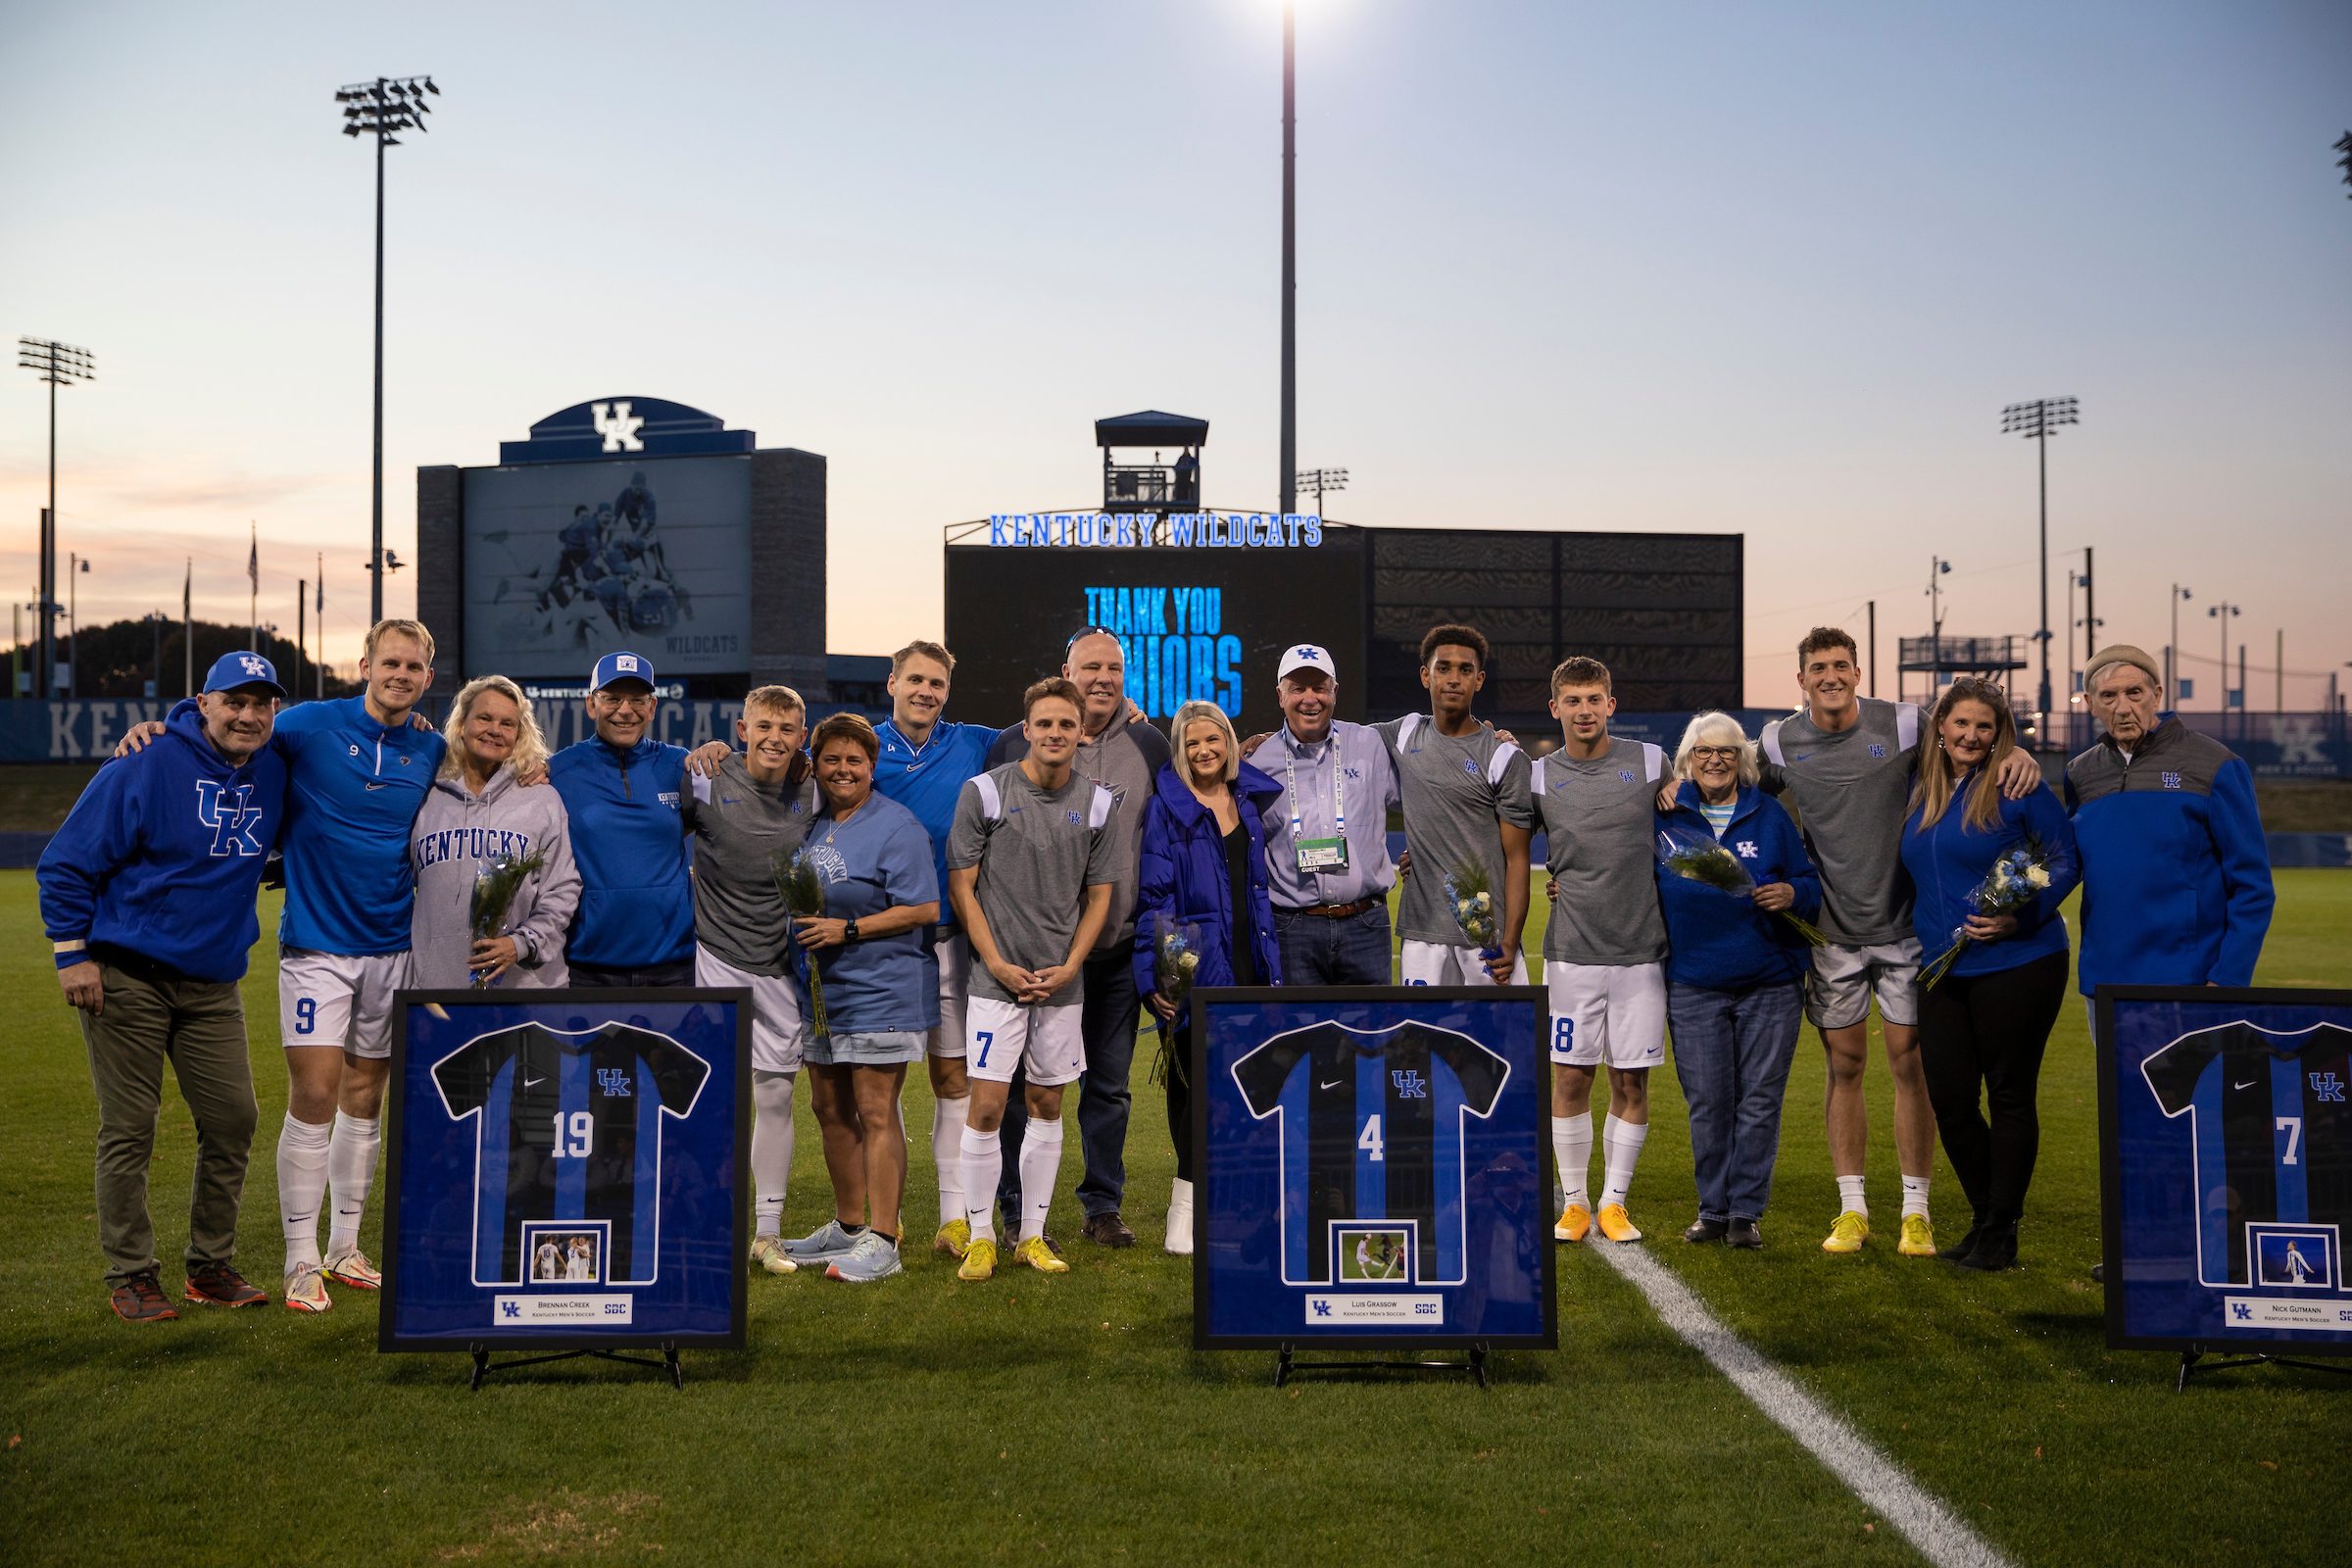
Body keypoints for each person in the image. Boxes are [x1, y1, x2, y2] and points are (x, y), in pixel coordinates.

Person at [115, 620, 462, 1311]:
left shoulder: (430, 748)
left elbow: (487, 775)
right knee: (314, 1096)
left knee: (366, 1100)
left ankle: (345, 1249)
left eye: (413, 666)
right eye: (389, 661)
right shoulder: (305, 725)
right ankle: (300, 1260)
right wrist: (167, 724)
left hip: (392, 947)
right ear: (363, 664)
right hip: (316, 948)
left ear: (428, 676)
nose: (400, 674)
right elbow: (226, 731)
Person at [1717, 627, 2038, 1258]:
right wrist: (1668, 792)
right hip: (1831, 933)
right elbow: (1729, 783)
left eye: (1841, 664)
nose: (1830, 675)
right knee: (1846, 1066)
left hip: (1906, 928)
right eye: (1818, 668)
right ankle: (1852, 1210)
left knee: (1910, 1066)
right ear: (1802, 680)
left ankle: (1916, 1213)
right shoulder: (1780, 740)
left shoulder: (1908, 724)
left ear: (1858, 672)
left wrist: (2016, 751)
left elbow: (1970, 748)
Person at [39, 653, 293, 1320]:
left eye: (261, 703)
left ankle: (209, 1266)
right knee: (129, 1128)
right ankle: (131, 1272)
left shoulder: (275, 768)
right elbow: (65, 863)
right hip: (128, 976)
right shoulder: (145, 762)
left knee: (235, 1118)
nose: (248, 715)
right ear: (202, 704)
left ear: (276, 712)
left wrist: (407, 722)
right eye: (233, 701)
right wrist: (72, 955)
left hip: (212, 982)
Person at [984, 630, 1171, 1250]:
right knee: (1020, 1088)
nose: (1103, 678)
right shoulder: (1015, 742)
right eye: (1091, 666)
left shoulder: (1149, 743)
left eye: (1114, 668)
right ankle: (1014, 1213)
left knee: (1108, 1086)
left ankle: (1102, 1205)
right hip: (1034, 955)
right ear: (1067, 668)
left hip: (1113, 951)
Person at [1900, 679, 2081, 1272]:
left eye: (1985, 727)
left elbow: (2064, 859)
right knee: (1950, 1099)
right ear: (1941, 728)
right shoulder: (1921, 786)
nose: (1971, 736)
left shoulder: (2015, 783)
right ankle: (1985, 1219)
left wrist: (2018, 915)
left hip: (2020, 961)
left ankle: (2000, 1232)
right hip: (1941, 966)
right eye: (1961, 725)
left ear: (1999, 732)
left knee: (2008, 1096)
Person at [945, 678, 1118, 1281]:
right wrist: (993, 962)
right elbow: (962, 887)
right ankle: (984, 1236)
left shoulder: (1098, 803)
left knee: (1047, 1105)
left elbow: (1100, 897)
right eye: (1044, 724)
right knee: (988, 1107)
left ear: (1080, 732)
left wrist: (1071, 965)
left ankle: (1034, 1237)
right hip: (997, 981)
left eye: (1066, 725)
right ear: (1026, 728)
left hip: (1060, 982)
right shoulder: (985, 794)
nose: (1054, 734)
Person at [766, 714, 942, 1283]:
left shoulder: (896, 825)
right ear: (815, 764)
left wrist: (848, 931)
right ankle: (846, 1226)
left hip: (881, 988)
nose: (843, 770)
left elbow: (923, 909)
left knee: (874, 1110)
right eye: (832, 760)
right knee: (829, 1109)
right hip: (823, 992)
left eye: (855, 760)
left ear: (873, 766)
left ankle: (884, 1239)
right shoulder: (818, 824)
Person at [1654, 711, 1820, 1249]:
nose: (1716, 760)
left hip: (1770, 979)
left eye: (1726, 751)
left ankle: (1745, 1213)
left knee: (1759, 1100)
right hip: (1694, 979)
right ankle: (1713, 1209)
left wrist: (1794, 895)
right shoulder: (1666, 815)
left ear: (1743, 759)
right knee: (1707, 1100)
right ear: (1687, 761)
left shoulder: (1769, 814)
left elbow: (1809, 880)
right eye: (1704, 752)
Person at [871, 640, 1007, 1259]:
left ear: (948, 692)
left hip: (954, 934)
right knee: (885, 1083)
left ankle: (953, 1220)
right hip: (885, 941)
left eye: (938, 684)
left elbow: (1048, 726)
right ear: (892, 682)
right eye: (916, 680)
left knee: (953, 1077)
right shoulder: (860, 747)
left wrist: (1127, 717)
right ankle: (885, 1216)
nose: (926, 691)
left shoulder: (976, 742)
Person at [1133, 699, 1283, 1254]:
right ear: (1179, 748)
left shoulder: (1246, 802)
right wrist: (1159, 978)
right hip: (1195, 969)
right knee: (1197, 1093)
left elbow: (1255, 895)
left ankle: (1236, 1207)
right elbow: (1155, 897)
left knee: (1250, 1089)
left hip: (1250, 962)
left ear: (1228, 742)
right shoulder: (1166, 807)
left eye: (1212, 740)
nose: (1203, 751)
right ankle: (1183, 1214)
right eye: (1192, 742)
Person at [681, 686, 819, 1276]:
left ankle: (768, 1234)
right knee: (706, 1101)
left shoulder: (814, 789)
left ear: (802, 737)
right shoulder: (706, 778)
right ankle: (702, 1230)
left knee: (777, 1095)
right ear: (742, 729)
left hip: (782, 967)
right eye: (764, 726)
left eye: (788, 729)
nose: (775, 738)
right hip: (713, 957)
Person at [1531, 657, 1669, 1245]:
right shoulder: (1537, 776)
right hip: (1570, 954)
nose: (1584, 710)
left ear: (1611, 705)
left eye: (1595, 699)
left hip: (1641, 954)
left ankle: (1615, 1202)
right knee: (1569, 1079)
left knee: (1631, 1082)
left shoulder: (1651, 763)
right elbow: (1502, 846)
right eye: (1573, 700)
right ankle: (1575, 1203)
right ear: (1555, 707)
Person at [2065, 644, 2273, 1027]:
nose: (2122, 707)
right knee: (2117, 1089)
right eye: (2108, 696)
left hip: (2187, 981)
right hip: (2104, 980)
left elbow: (2254, 887)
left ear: (2156, 695)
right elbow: (2064, 865)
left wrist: (2227, 978)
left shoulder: (2215, 764)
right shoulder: (2081, 772)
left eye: (2134, 693)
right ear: (2091, 705)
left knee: (2191, 1089)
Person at [1375, 624, 1534, 987]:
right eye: (1443, 668)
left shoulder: (1501, 755)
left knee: (1503, 1042)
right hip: (1422, 930)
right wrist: (1271, 737)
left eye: (1465, 670)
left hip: (1485, 931)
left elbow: (1518, 858)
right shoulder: (1404, 733)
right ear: (1425, 676)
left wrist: (1509, 941)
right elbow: (1336, 737)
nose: (1453, 679)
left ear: (1479, 681)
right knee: (1424, 1040)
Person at [1242, 644, 1403, 986]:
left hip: (1366, 924)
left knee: (1371, 1036)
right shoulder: (1257, 762)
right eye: (1298, 688)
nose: (1310, 699)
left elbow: (1425, 794)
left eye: (1319, 687)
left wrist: (1483, 738)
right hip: (1292, 929)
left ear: (1334, 691)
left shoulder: (1369, 744)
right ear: (1280, 695)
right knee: (1301, 1036)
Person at [410, 674, 579, 990]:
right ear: (461, 724)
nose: (494, 730)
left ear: (519, 734)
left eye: (507, 724)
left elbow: (563, 887)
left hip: (528, 988)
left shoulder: (541, 798)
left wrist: (522, 943)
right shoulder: (425, 796)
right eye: (484, 718)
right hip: (438, 986)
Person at [548, 652, 699, 987]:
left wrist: (801, 762)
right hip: (591, 968)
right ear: (591, 704)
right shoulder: (558, 772)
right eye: (612, 698)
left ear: (652, 707)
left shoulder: (679, 766)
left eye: (637, 700)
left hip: (673, 965)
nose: (625, 710)